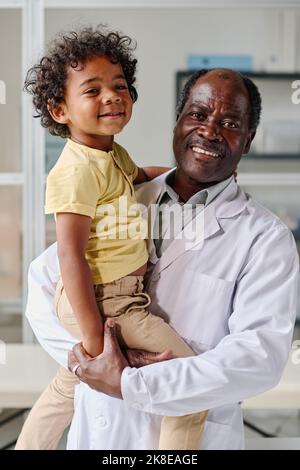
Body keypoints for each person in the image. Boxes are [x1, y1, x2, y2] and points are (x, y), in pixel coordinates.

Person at [23, 68, 299, 450]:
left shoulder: (266, 239)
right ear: (179, 122)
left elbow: (257, 358)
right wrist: (89, 360)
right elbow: (44, 287)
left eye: (231, 122)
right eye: (198, 115)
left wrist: (129, 381)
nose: (210, 131)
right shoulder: (119, 195)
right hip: (101, 431)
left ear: (248, 140)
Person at [15, 27, 207, 450]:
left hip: (117, 296)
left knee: (70, 384)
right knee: (192, 383)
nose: (112, 96)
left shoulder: (109, 153)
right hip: (107, 300)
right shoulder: (76, 171)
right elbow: (70, 257)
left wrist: (183, 176)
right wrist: (95, 341)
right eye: (93, 89)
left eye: (119, 85)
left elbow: (136, 176)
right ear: (60, 110)